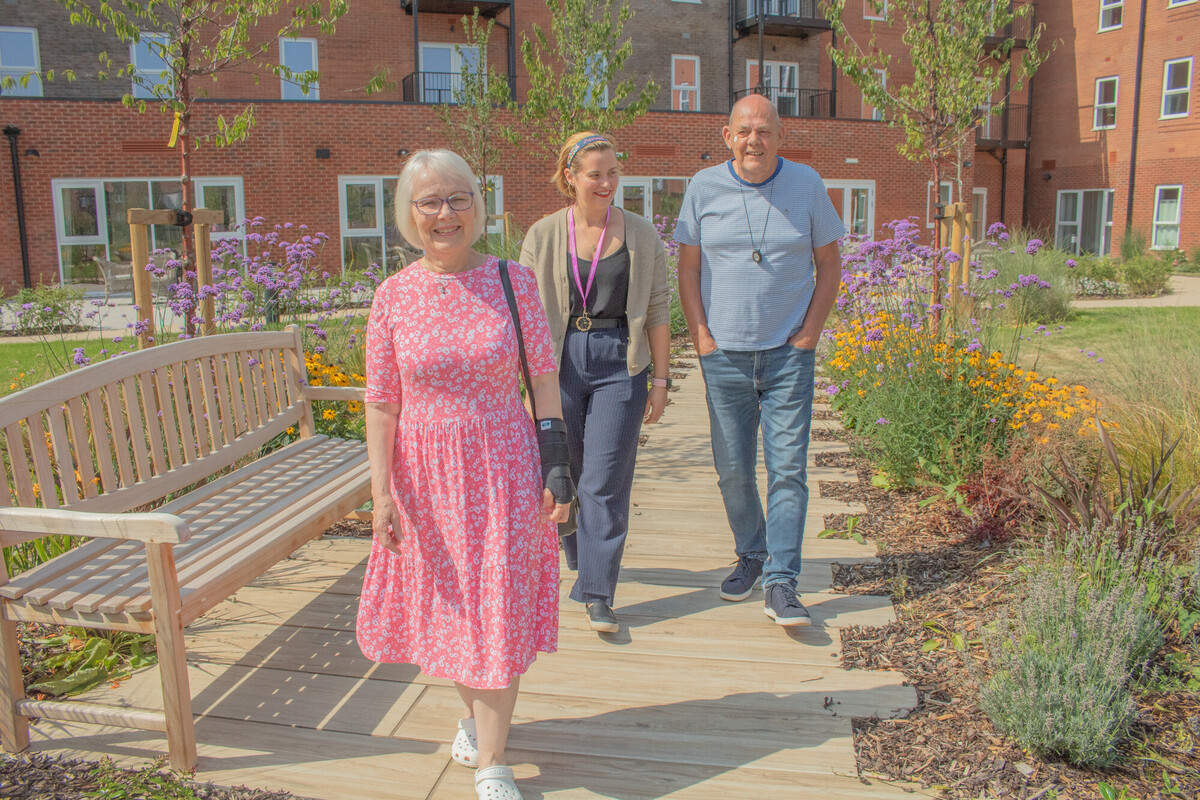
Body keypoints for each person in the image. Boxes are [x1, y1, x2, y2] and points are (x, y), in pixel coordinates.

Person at [358, 149, 574, 800]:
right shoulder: (392, 296)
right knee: (451, 612)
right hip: (424, 481)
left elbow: (541, 376)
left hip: (503, 467)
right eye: (429, 201)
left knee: (498, 609)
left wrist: (557, 463)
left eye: (457, 198)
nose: (444, 213)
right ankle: (476, 720)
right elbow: (381, 401)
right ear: (408, 215)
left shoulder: (514, 281)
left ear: (477, 206)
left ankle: (492, 762)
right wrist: (380, 495)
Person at [673, 94, 845, 627]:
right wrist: (700, 336)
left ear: (780, 135)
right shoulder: (703, 188)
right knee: (732, 470)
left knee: (788, 469)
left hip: (787, 354)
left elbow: (830, 262)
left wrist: (809, 334)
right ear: (727, 136)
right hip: (724, 355)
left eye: (764, 131)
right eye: (744, 131)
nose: (754, 140)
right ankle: (751, 553)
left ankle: (781, 582)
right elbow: (687, 268)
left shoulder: (808, 184)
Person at [520, 132, 671, 634]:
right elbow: (522, 314)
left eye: (613, 173)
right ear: (571, 177)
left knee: (603, 480)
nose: (607, 183)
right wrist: (522, 383)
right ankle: (577, 547)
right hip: (556, 363)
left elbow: (656, 308)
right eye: (595, 174)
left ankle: (598, 591)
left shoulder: (641, 234)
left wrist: (662, 380)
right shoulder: (543, 235)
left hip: (619, 362)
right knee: (565, 470)